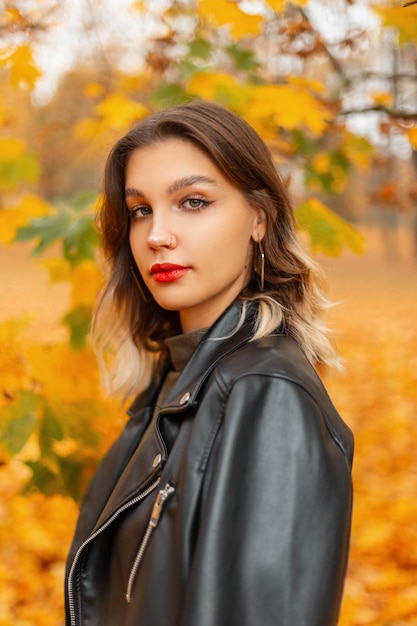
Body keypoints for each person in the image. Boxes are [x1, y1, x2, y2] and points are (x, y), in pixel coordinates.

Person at [65, 99, 353, 626]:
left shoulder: (267, 393)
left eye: (193, 202)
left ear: (259, 219)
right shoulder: (174, 382)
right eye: (140, 210)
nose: (157, 235)